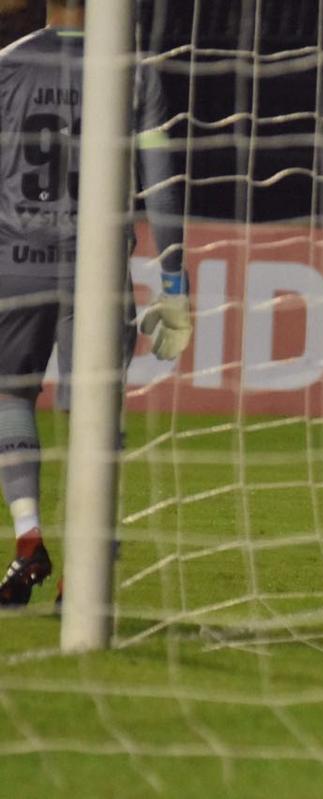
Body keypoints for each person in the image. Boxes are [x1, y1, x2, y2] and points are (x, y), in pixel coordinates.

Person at [0, 0, 192, 605]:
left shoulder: (6, 64)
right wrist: (175, 284)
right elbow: (160, 182)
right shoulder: (132, 69)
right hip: (97, 268)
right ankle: (86, 574)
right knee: (94, 415)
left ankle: (28, 536)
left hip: (14, 262)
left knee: (8, 395)